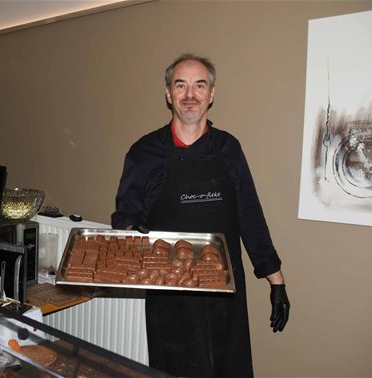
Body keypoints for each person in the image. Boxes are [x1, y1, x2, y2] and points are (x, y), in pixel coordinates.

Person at [111, 54, 290, 377]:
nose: (190, 94)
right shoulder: (143, 153)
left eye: (199, 85)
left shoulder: (228, 149)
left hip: (225, 293)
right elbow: (124, 215)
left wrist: (276, 281)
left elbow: (249, 214)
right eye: (181, 85)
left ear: (211, 94)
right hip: (170, 297)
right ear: (168, 94)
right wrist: (132, 232)